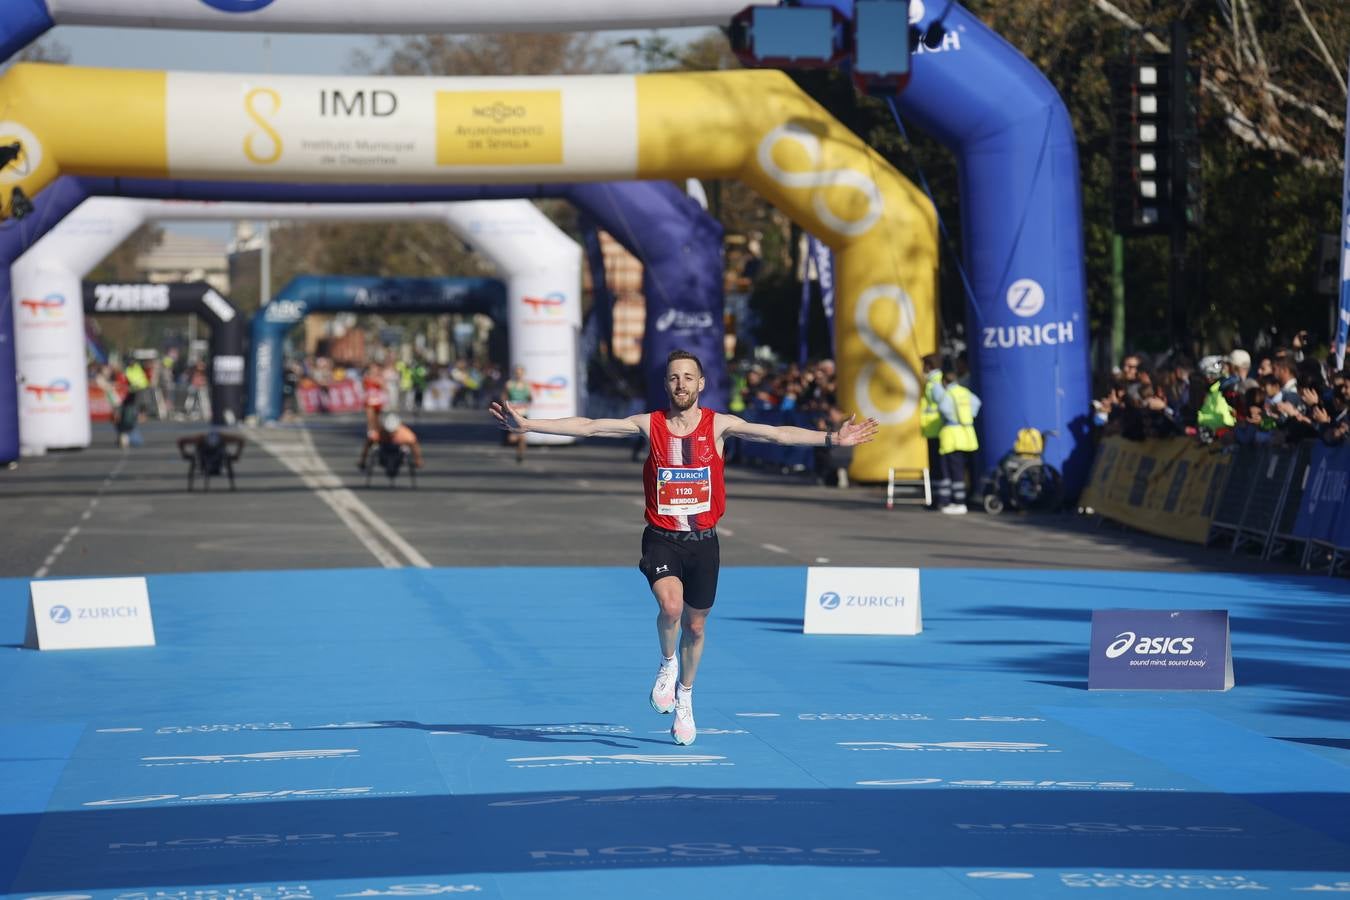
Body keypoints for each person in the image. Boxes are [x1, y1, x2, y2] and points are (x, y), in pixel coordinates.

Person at [490, 349, 878, 746]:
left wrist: (832, 437)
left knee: (695, 624)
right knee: (671, 607)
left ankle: (686, 697)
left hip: (704, 542)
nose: (681, 385)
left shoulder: (719, 426)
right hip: (662, 537)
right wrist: (529, 425)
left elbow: (777, 433)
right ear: (666, 385)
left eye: (688, 378)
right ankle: (666, 663)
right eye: (674, 378)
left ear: (701, 383)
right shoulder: (649, 424)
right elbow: (590, 426)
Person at [936, 360, 980, 514]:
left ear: (944, 382)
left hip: (952, 437)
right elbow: (976, 403)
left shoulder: (948, 395)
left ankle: (958, 502)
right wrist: (969, 417)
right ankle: (963, 499)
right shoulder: (965, 392)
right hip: (968, 436)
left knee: (954, 472)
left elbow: (944, 411)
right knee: (964, 470)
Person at [358, 412, 423, 473]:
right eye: (388, 432)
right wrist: (363, 460)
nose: (390, 434)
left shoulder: (405, 433)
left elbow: (414, 445)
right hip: (384, 452)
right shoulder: (380, 432)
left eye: (393, 432)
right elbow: (368, 443)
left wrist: (418, 460)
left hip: (398, 454)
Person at [501, 365, 533, 463]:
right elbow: (503, 396)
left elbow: (530, 398)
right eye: (517, 373)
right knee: (512, 439)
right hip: (512, 414)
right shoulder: (509, 384)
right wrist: (506, 406)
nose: (519, 375)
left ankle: (520, 455)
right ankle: (514, 440)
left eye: (520, 373)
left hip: (523, 413)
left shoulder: (527, 385)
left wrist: (527, 402)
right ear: (514, 373)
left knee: (523, 437)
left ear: (523, 374)